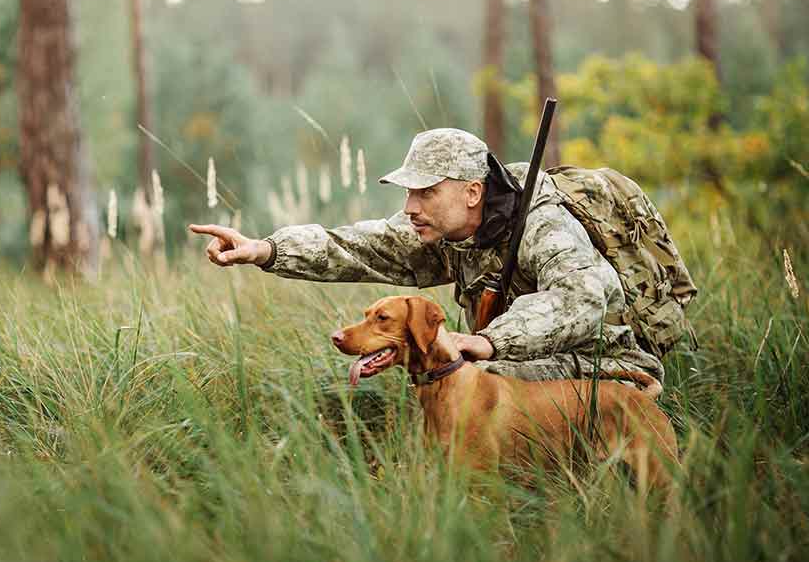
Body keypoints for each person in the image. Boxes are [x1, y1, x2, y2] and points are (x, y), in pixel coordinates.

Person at [188, 128, 664, 382]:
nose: (410, 207)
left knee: (474, 375)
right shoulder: (442, 229)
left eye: (426, 192)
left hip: (607, 364)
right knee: (458, 375)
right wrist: (264, 248)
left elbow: (583, 298)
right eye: (409, 192)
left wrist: (489, 342)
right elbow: (356, 246)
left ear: (473, 192)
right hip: (518, 365)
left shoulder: (542, 223)